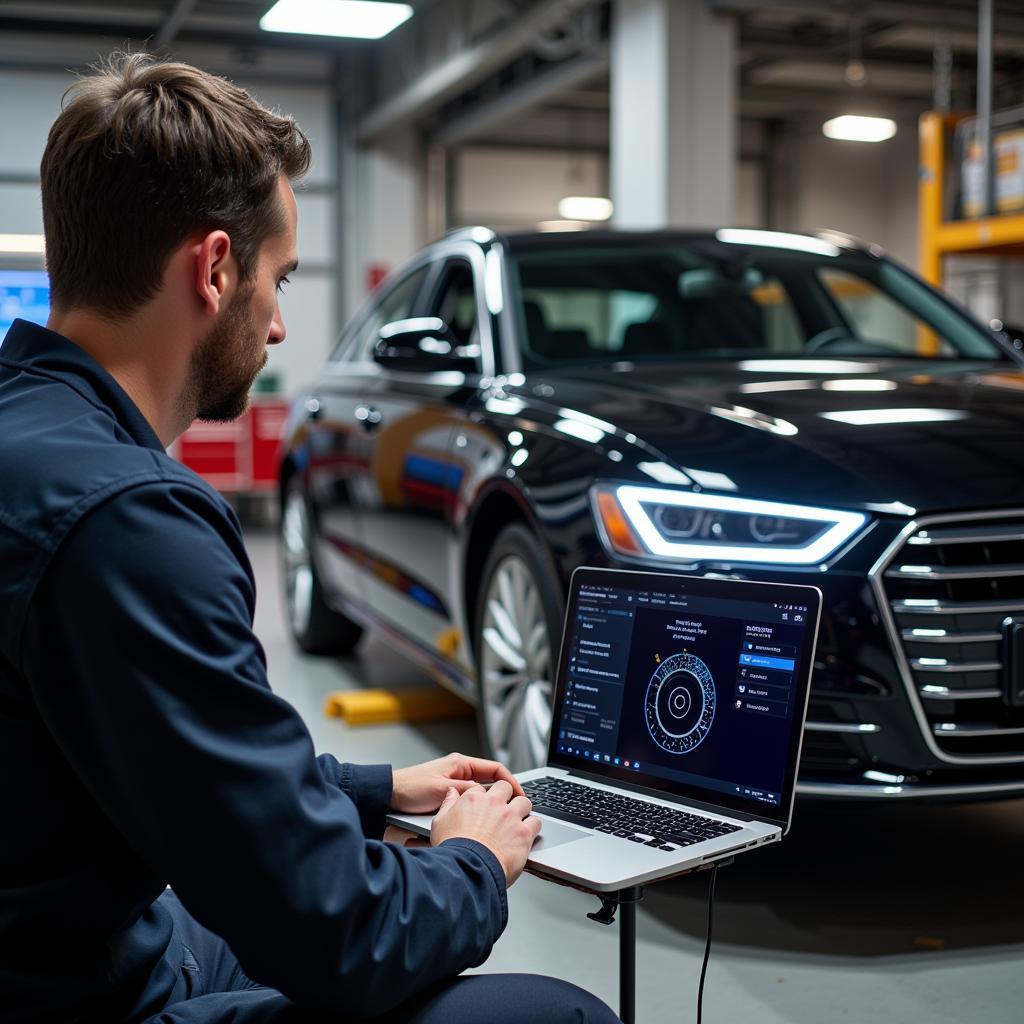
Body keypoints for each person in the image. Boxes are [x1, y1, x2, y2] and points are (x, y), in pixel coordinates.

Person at [0, 53, 618, 1024]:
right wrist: (471, 861)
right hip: (79, 997)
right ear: (212, 269)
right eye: (277, 279)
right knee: (558, 1013)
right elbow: (341, 940)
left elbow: (167, 758)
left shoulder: (26, 438)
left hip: (58, 932)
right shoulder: (128, 519)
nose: (281, 324)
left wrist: (375, 791)